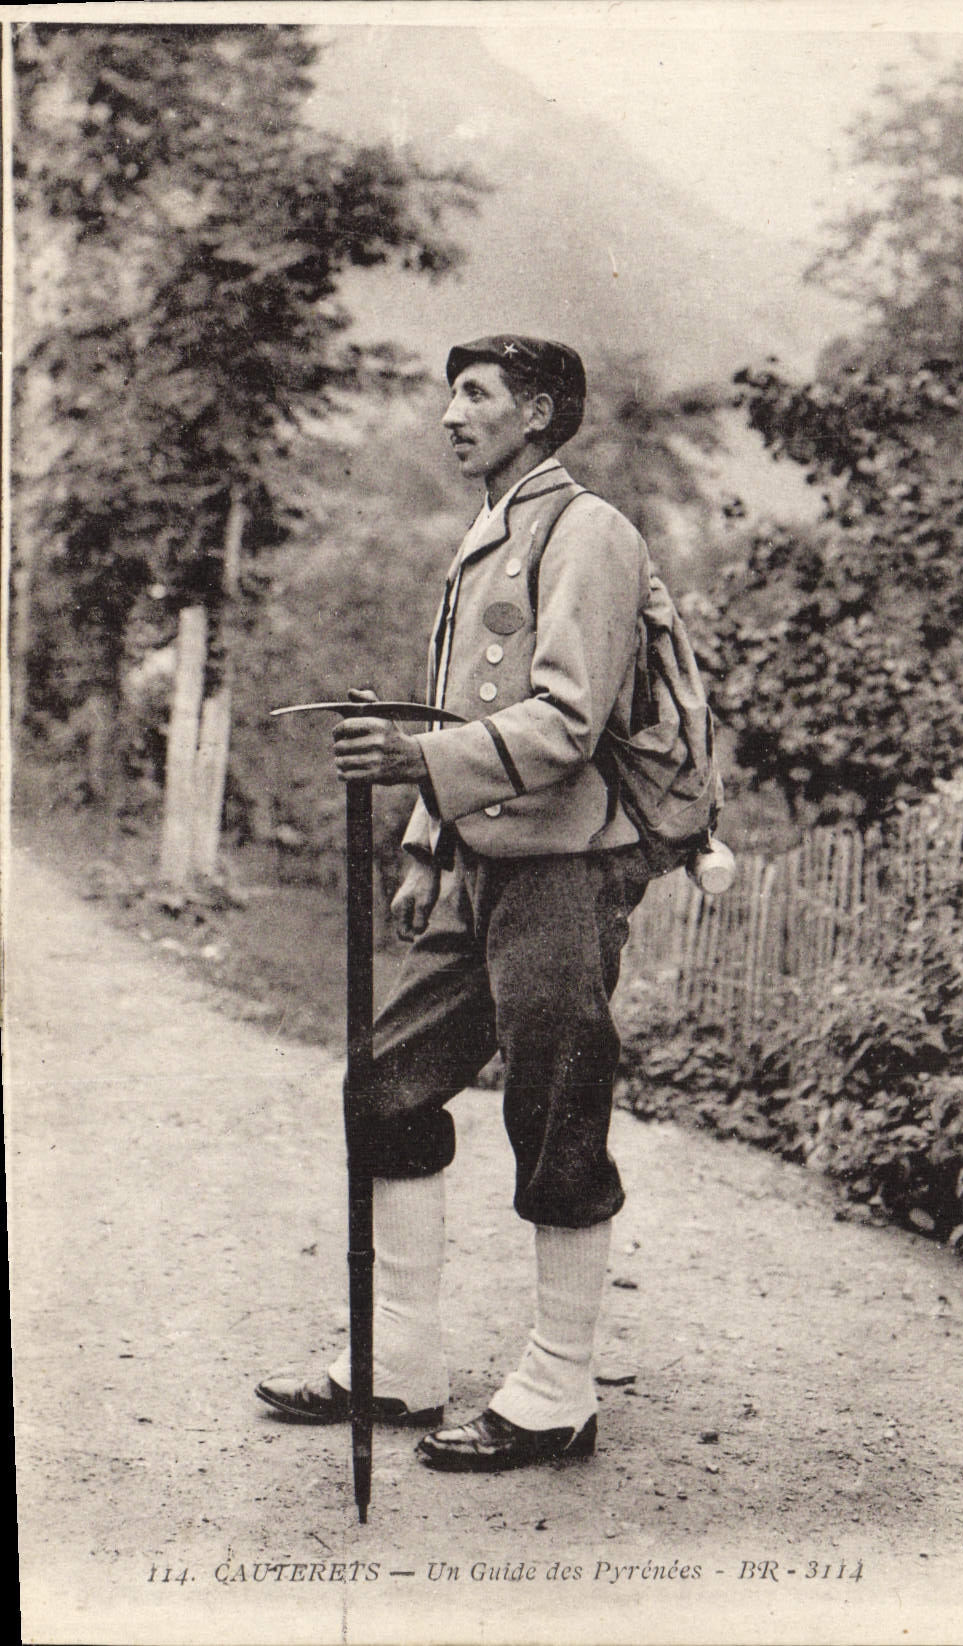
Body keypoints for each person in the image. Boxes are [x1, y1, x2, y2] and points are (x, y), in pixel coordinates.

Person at [256, 334, 656, 1472]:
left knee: (555, 1101)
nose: (449, 414)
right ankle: (402, 1357)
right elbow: (451, 716)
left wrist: (419, 770)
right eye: (449, 393)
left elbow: (568, 721)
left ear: (537, 410)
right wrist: (428, 842)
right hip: (478, 864)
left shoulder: (591, 534)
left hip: (564, 866)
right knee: (385, 1081)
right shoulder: (483, 538)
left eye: (474, 394)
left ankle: (558, 1387)